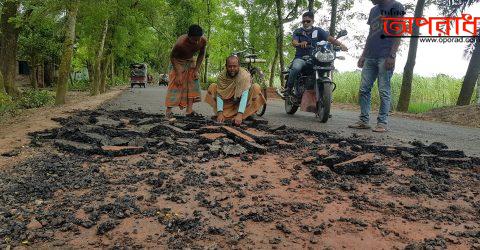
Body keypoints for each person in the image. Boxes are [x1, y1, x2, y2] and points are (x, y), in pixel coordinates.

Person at [348, 0, 404, 132]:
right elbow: (370, 34)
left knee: (383, 90)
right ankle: (363, 120)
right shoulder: (373, 10)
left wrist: (392, 55)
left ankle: (382, 123)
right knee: (363, 89)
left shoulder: (396, 6)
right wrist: (363, 55)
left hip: (385, 56)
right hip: (370, 56)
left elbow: (399, 31)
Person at [284, 11, 348, 96]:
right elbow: (294, 42)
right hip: (301, 58)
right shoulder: (298, 31)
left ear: (313, 21)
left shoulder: (318, 31)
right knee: (296, 68)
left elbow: (329, 38)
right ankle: (288, 89)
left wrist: (341, 45)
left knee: (325, 66)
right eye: (304, 21)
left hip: (315, 58)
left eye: (308, 21)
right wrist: (299, 43)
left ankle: (321, 91)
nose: (305, 23)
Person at [205, 55, 266, 126]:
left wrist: (240, 114)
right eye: (229, 66)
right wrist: (220, 113)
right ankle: (227, 115)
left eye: (235, 66)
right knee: (213, 86)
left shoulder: (244, 76)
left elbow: (244, 95)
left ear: (239, 66)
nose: (232, 69)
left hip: (240, 103)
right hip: (228, 104)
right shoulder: (221, 77)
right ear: (226, 66)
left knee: (256, 87)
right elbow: (220, 95)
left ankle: (242, 114)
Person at [165, 24, 207, 118]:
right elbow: (172, 57)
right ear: (189, 37)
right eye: (194, 40)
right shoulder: (180, 43)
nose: (197, 42)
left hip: (190, 60)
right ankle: (168, 111)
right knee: (176, 84)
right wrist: (179, 74)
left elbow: (201, 54)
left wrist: (196, 70)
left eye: (198, 39)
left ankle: (189, 110)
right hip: (177, 61)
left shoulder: (203, 40)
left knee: (193, 82)